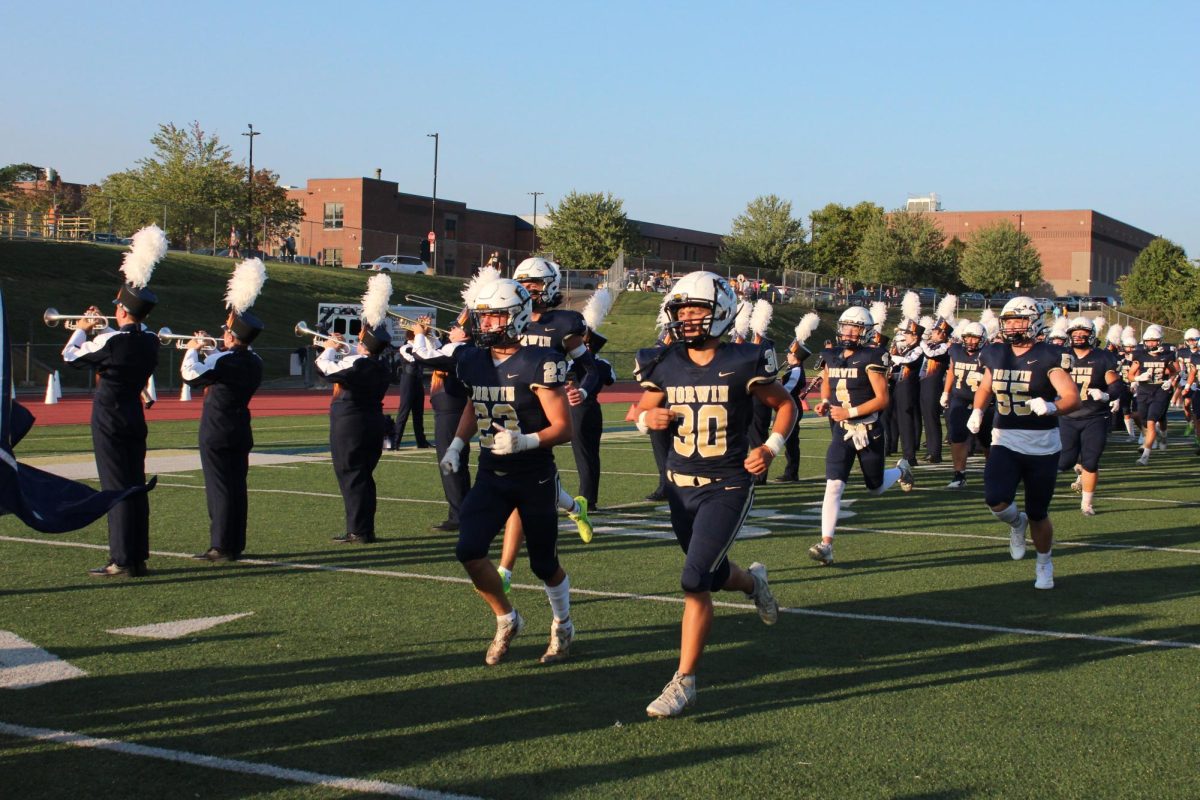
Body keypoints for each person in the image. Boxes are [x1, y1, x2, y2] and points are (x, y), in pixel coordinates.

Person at [632, 270, 793, 718]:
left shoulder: (745, 360)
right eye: (681, 310)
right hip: (680, 486)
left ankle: (684, 681)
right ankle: (754, 582)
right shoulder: (661, 361)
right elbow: (640, 410)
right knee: (711, 573)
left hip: (728, 483)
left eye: (697, 309)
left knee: (692, 578)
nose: (687, 318)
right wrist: (649, 420)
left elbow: (785, 405)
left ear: (720, 312)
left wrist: (770, 447)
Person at [439, 277, 577, 665]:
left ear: (516, 317)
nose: (486, 325)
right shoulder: (471, 359)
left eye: (495, 317)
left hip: (533, 474)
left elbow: (563, 427)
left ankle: (563, 623)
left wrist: (526, 441)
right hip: (491, 473)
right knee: (468, 550)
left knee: (543, 563)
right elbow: (474, 404)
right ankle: (506, 617)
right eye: (483, 319)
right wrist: (456, 444)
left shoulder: (539, 361)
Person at [61, 225, 164, 576]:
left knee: (115, 486)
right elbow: (122, 341)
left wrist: (81, 326)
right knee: (134, 482)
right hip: (134, 416)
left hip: (109, 416)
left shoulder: (113, 340)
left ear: (122, 310)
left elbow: (71, 355)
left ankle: (122, 559)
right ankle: (137, 555)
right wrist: (100, 328)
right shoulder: (149, 340)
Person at [492, 258, 594, 594]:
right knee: (533, 485)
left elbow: (590, 367)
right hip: (513, 406)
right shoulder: (508, 318)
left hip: (547, 411)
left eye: (535, 283)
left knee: (522, 488)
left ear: (550, 285)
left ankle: (504, 570)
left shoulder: (564, 323)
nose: (529, 289)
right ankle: (574, 507)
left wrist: (581, 388)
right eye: (524, 282)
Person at [968, 296, 1080, 589]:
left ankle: (1044, 562)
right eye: (1009, 320)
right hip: (1005, 439)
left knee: (1038, 512)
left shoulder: (1048, 356)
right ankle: (1017, 525)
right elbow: (985, 385)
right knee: (995, 498)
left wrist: (1054, 407)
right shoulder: (995, 352)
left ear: (1034, 321)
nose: (1014, 326)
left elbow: (1072, 397)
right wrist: (978, 409)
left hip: (1043, 445)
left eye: (1020, 320)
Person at [807, 307, 914, 566]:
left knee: (875, 487)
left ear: (865, 332)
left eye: (855, 328)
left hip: (868, 430)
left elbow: (882, 399)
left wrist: (849, 411)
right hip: (841, 431)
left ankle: (901, 470)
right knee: (834, 485)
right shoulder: (831, 355)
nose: (849, 332)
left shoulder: (873, 356)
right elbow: (826, 380)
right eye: (846, 327)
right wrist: (824, 400)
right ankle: (826, 545)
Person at [181, 258, 266, 560]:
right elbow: (222, 365)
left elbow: (190, 376)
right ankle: (234, 544)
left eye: (226, 333)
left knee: (218, 489)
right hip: (240, 428)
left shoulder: (222, 360)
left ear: (232, 336)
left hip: (217, 429)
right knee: (236, 489)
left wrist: (193, 348)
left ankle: (220, 546)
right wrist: (212, 352)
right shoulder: (254, 361)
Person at [315, 275, 394, 544]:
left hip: (350, 425)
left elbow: (324, 370)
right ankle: (364, 528)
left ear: (364, 342)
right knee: (363, 477)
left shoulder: (358, 364)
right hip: (372, 423)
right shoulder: (381, 365)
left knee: (351, 476)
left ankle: (358, 531)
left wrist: (328, 349)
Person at [409, 316, 473, 531]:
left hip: (451, 411)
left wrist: (419, 334)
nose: (451, 329)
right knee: (457, 464)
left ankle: (458, 516)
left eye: (456, 327)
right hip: (454, 409)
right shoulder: (460, 348)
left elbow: (422, 356)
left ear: (464, 334)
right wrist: (429, 336)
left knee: (450, 464)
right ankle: (463, 512)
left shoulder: (458, 350)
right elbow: (439, 353)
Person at [1058, 317, 1122, 516]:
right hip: (1067, 416)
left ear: (1091, 334)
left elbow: (1116, 384)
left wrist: (1106, 395)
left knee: (1091, 461)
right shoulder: (1061, 355)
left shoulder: (1102, 357)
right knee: (1064, 462)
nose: (1078, 337)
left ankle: (1087, 503)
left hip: (1095, 416)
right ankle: (1078, 465)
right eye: (1074, 333)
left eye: (1082, 333)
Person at [940, 321, 991, 488]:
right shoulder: (955, 350)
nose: (970, 341)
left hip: (984, 401)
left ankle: (993, 472)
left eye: (974, 338)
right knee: (957, 436)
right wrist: (946, 392)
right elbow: (951, 371)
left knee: (987, 440)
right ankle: (959, 475)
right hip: (960, 398)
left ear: (982, 339)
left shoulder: (990, 353)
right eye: (967, 337)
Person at [1127, 325, 1176, 466]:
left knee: (1151, 422)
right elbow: (1130, 374)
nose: (1151, 344)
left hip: (1160, 391)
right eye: (1148, 341)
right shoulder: (1139, 355)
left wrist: (1171, 382)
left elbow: (1174, 371)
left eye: (1154, 341)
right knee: (1143, 419)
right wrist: (1137, 379)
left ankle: (1145, 455)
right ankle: (1159, 437)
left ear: (1159, 341)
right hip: (1144, 391)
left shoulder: (1167, 355)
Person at [391, 331, 431, 449]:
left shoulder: (419, 348)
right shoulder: (406, 347)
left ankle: (421, 442)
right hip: (408, 381)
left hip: (418, 380)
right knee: (404, 411)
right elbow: (414, 360)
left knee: (418, 413)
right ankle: (395, 442)